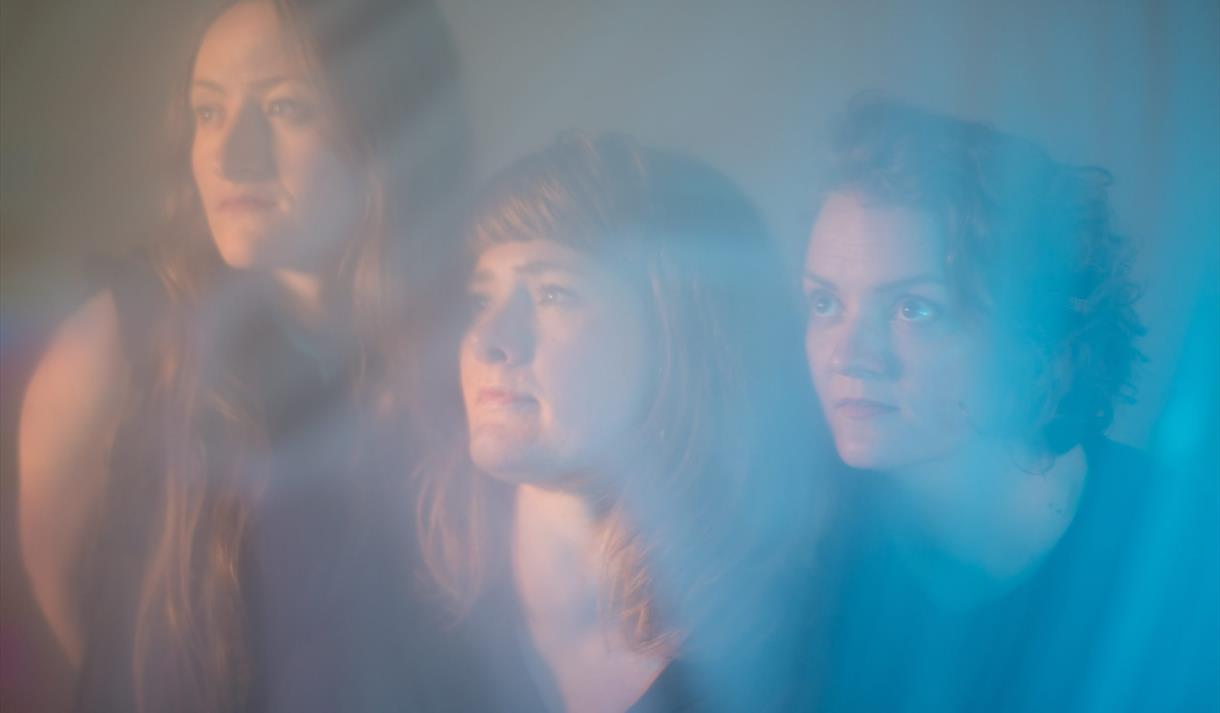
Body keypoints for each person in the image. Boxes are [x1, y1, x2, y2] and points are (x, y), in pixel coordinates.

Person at [16, 0, 466, 710]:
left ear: (387, 119)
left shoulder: (474, 345)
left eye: (286, 108)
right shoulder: (122, 342)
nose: (229, 156)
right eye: (208, 112)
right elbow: (65, 602)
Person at [414, 133, 826, 712]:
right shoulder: (395, 589)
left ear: (680, 334)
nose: (488, 340)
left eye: (554, 293)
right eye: (481, 298)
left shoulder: (811, 643)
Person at [800, 97, 1155, 711]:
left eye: (915, 309)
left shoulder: (1182, 545)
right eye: (826, 303)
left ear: (1034, 335)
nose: (848, 355)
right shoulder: (783, 542)